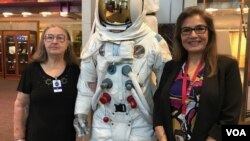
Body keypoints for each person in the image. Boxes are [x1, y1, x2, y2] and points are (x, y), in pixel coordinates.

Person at [73, 0, 172, 140]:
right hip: (104, 120)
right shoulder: (96, 41)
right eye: (109, 7)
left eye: (122, 8)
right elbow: (86, 86)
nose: (115, 14)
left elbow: (166, 87)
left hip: (141, 119)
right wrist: (81, 114)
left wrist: (163, 123)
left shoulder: (152, 41)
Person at [153, 6, 242, 141]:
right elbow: (158, 105)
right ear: (180, 36)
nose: (193, 35)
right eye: (186, 30)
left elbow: (230, 117)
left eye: (200, 28)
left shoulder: (227, 67)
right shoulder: (170, 67)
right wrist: (162, 137)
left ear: (209, 33)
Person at [13, 25, 80, 141]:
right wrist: (19, 137)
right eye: (49, 37)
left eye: (60, 38)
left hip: (68, 135)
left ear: (68, 43)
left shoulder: (76, 70)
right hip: (37, 135)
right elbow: (21, 105)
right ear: (43, 42)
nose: (55, 41)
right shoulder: (31, 70)